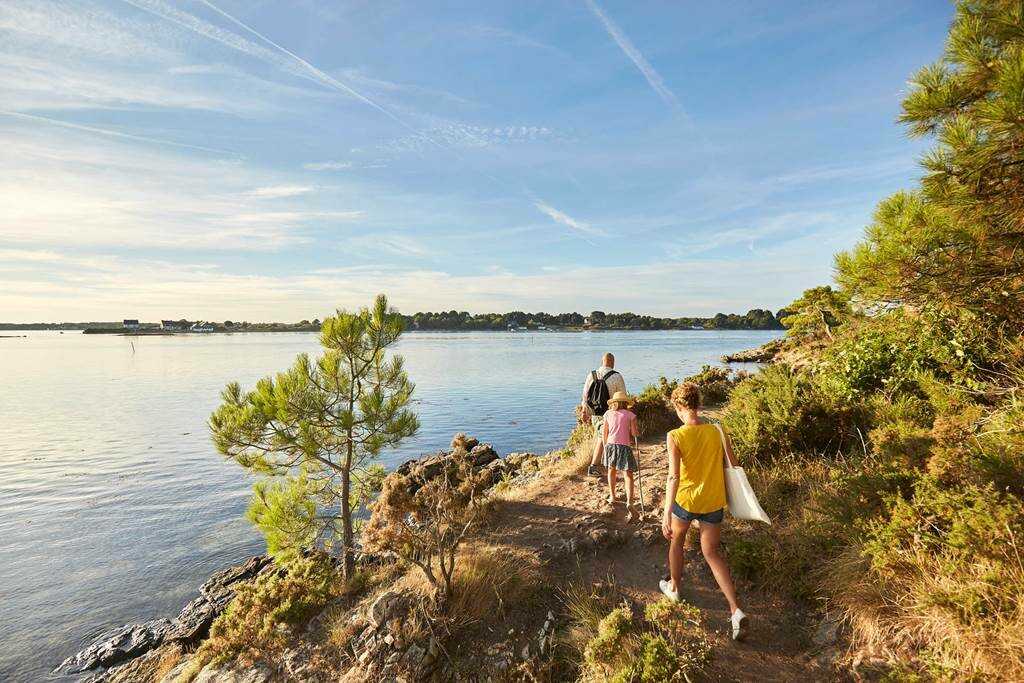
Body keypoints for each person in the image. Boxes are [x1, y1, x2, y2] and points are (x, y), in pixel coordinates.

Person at [659, 382, 748, 641]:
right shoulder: (717, 430)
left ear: (678, 407)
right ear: (698, 404)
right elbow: (734, 464)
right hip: (713, 502)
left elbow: (673, 477)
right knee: (711, 553)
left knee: (676, 541)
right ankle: (735, 610)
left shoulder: (675, 435)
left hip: (686, 501)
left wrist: (666, 513)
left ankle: (675, 587)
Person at [580, 352, 627, 477]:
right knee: (605, 438)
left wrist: (584, 412)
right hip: (612, 412)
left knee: (602, 436)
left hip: (595, 412)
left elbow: (585, 396)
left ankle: (603, 465)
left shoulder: (592, 374)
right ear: (613, 362)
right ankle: (598, 466)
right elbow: (622, 398)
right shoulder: (616, 376)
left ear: (602, 361)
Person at [601, 391, 640, 522]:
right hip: (624, 446)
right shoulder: (631, 415)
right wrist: (635, 431)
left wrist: (606, 446)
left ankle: (612, 496)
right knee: (628, 474)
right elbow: (634, 433)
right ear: (626, 403)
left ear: (614, 402)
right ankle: (630, 501)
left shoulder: (607, 414)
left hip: (610, 445)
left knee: (611, 471)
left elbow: (604, 433)